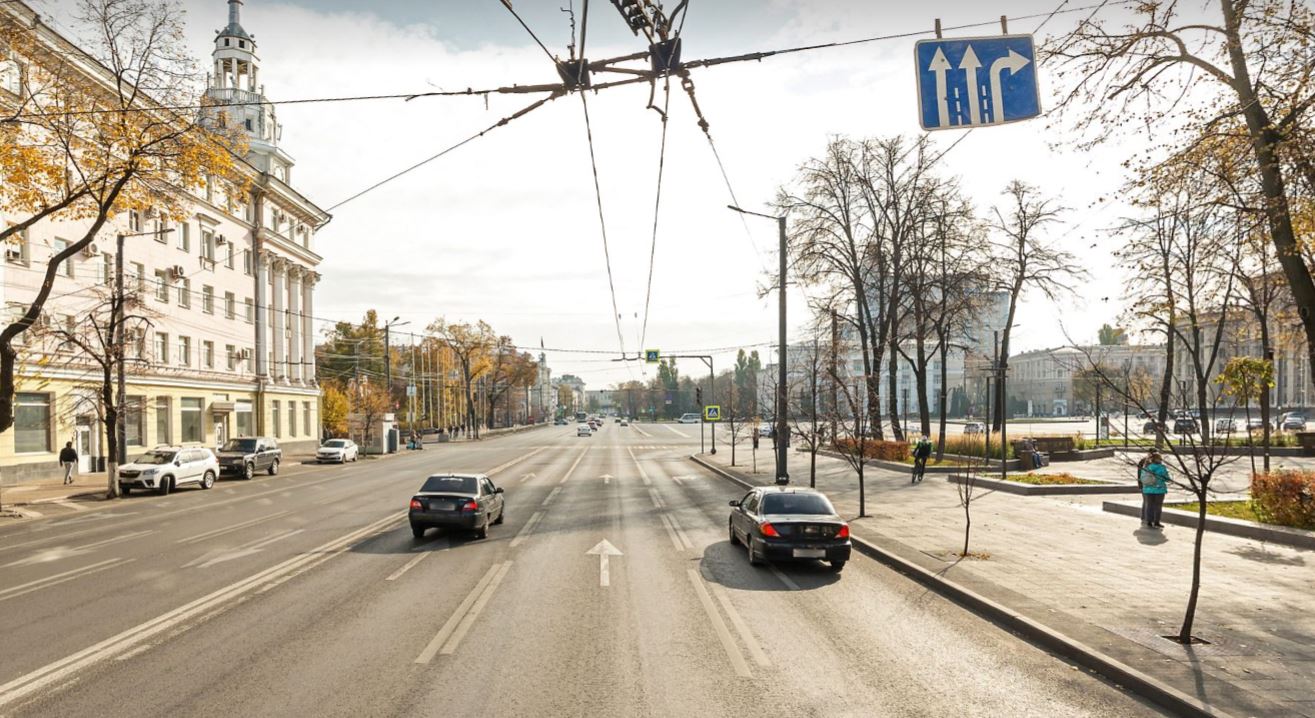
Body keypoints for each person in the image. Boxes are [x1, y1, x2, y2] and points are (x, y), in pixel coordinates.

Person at [1139, 452, 1170, 529]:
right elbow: (1166, 478)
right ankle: (1156, 522)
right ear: (1158, 459)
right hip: (1159, 490)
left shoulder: (1146, 467)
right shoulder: (1161, 468)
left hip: (1148, 490)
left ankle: (1149, 521)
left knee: (1149, 506)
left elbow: (1142, 478)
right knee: (1158, 506)